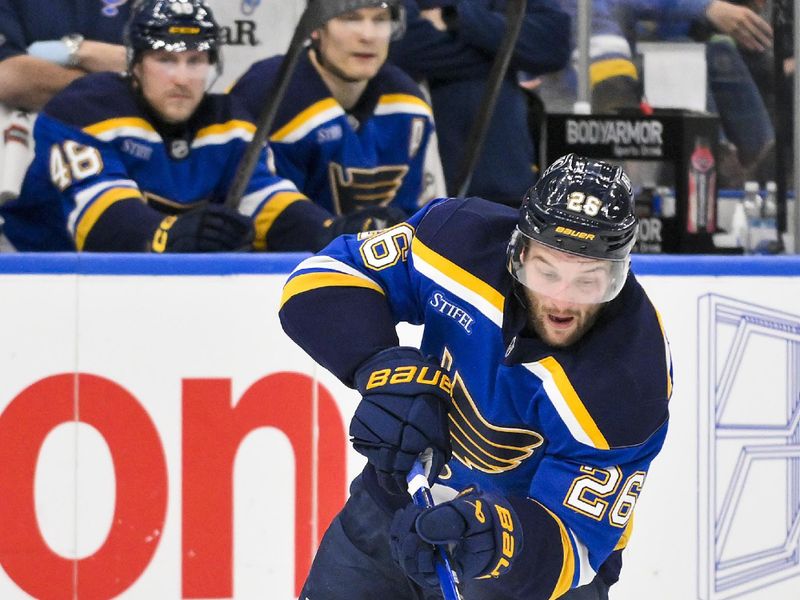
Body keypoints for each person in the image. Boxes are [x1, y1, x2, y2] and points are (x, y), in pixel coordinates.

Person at [279, 153, 673, 599]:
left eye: (589, 282)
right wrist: (378, 365)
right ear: (519, 250)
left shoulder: (631, 380)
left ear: (619, 274)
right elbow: (321, 276)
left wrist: (499, 538)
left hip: (523, 569)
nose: (562, 301)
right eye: (547, 272)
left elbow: (576, 544)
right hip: (394, 505)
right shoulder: (458, 238)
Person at [0, 0, 350, 253]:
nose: (181, 78)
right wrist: (168, 234)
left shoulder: (230, 122)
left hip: (151, 284)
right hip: (37, 276)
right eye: (165, 59)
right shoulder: (83, 109)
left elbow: (269, 201)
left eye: (195, 61)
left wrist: (332, 234)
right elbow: (100, 219)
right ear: (135, 65)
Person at [229, 0, 434, 222]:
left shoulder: (409, 106)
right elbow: (252, 214)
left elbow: (406, 217)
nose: (368, 36)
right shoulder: (266, 93)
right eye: (350, 18)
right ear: (316, 28)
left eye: (380, 19)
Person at [387, 0, 571, 207]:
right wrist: (501, 57)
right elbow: (401, 48)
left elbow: (554, 44)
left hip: (503, 179)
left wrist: (455, 17)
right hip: (413, 186)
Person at [0, 0, 131, 112]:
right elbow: (8, 78)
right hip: (26, 132)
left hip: (129, 132)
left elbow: (148, 81)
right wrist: (81, 52)